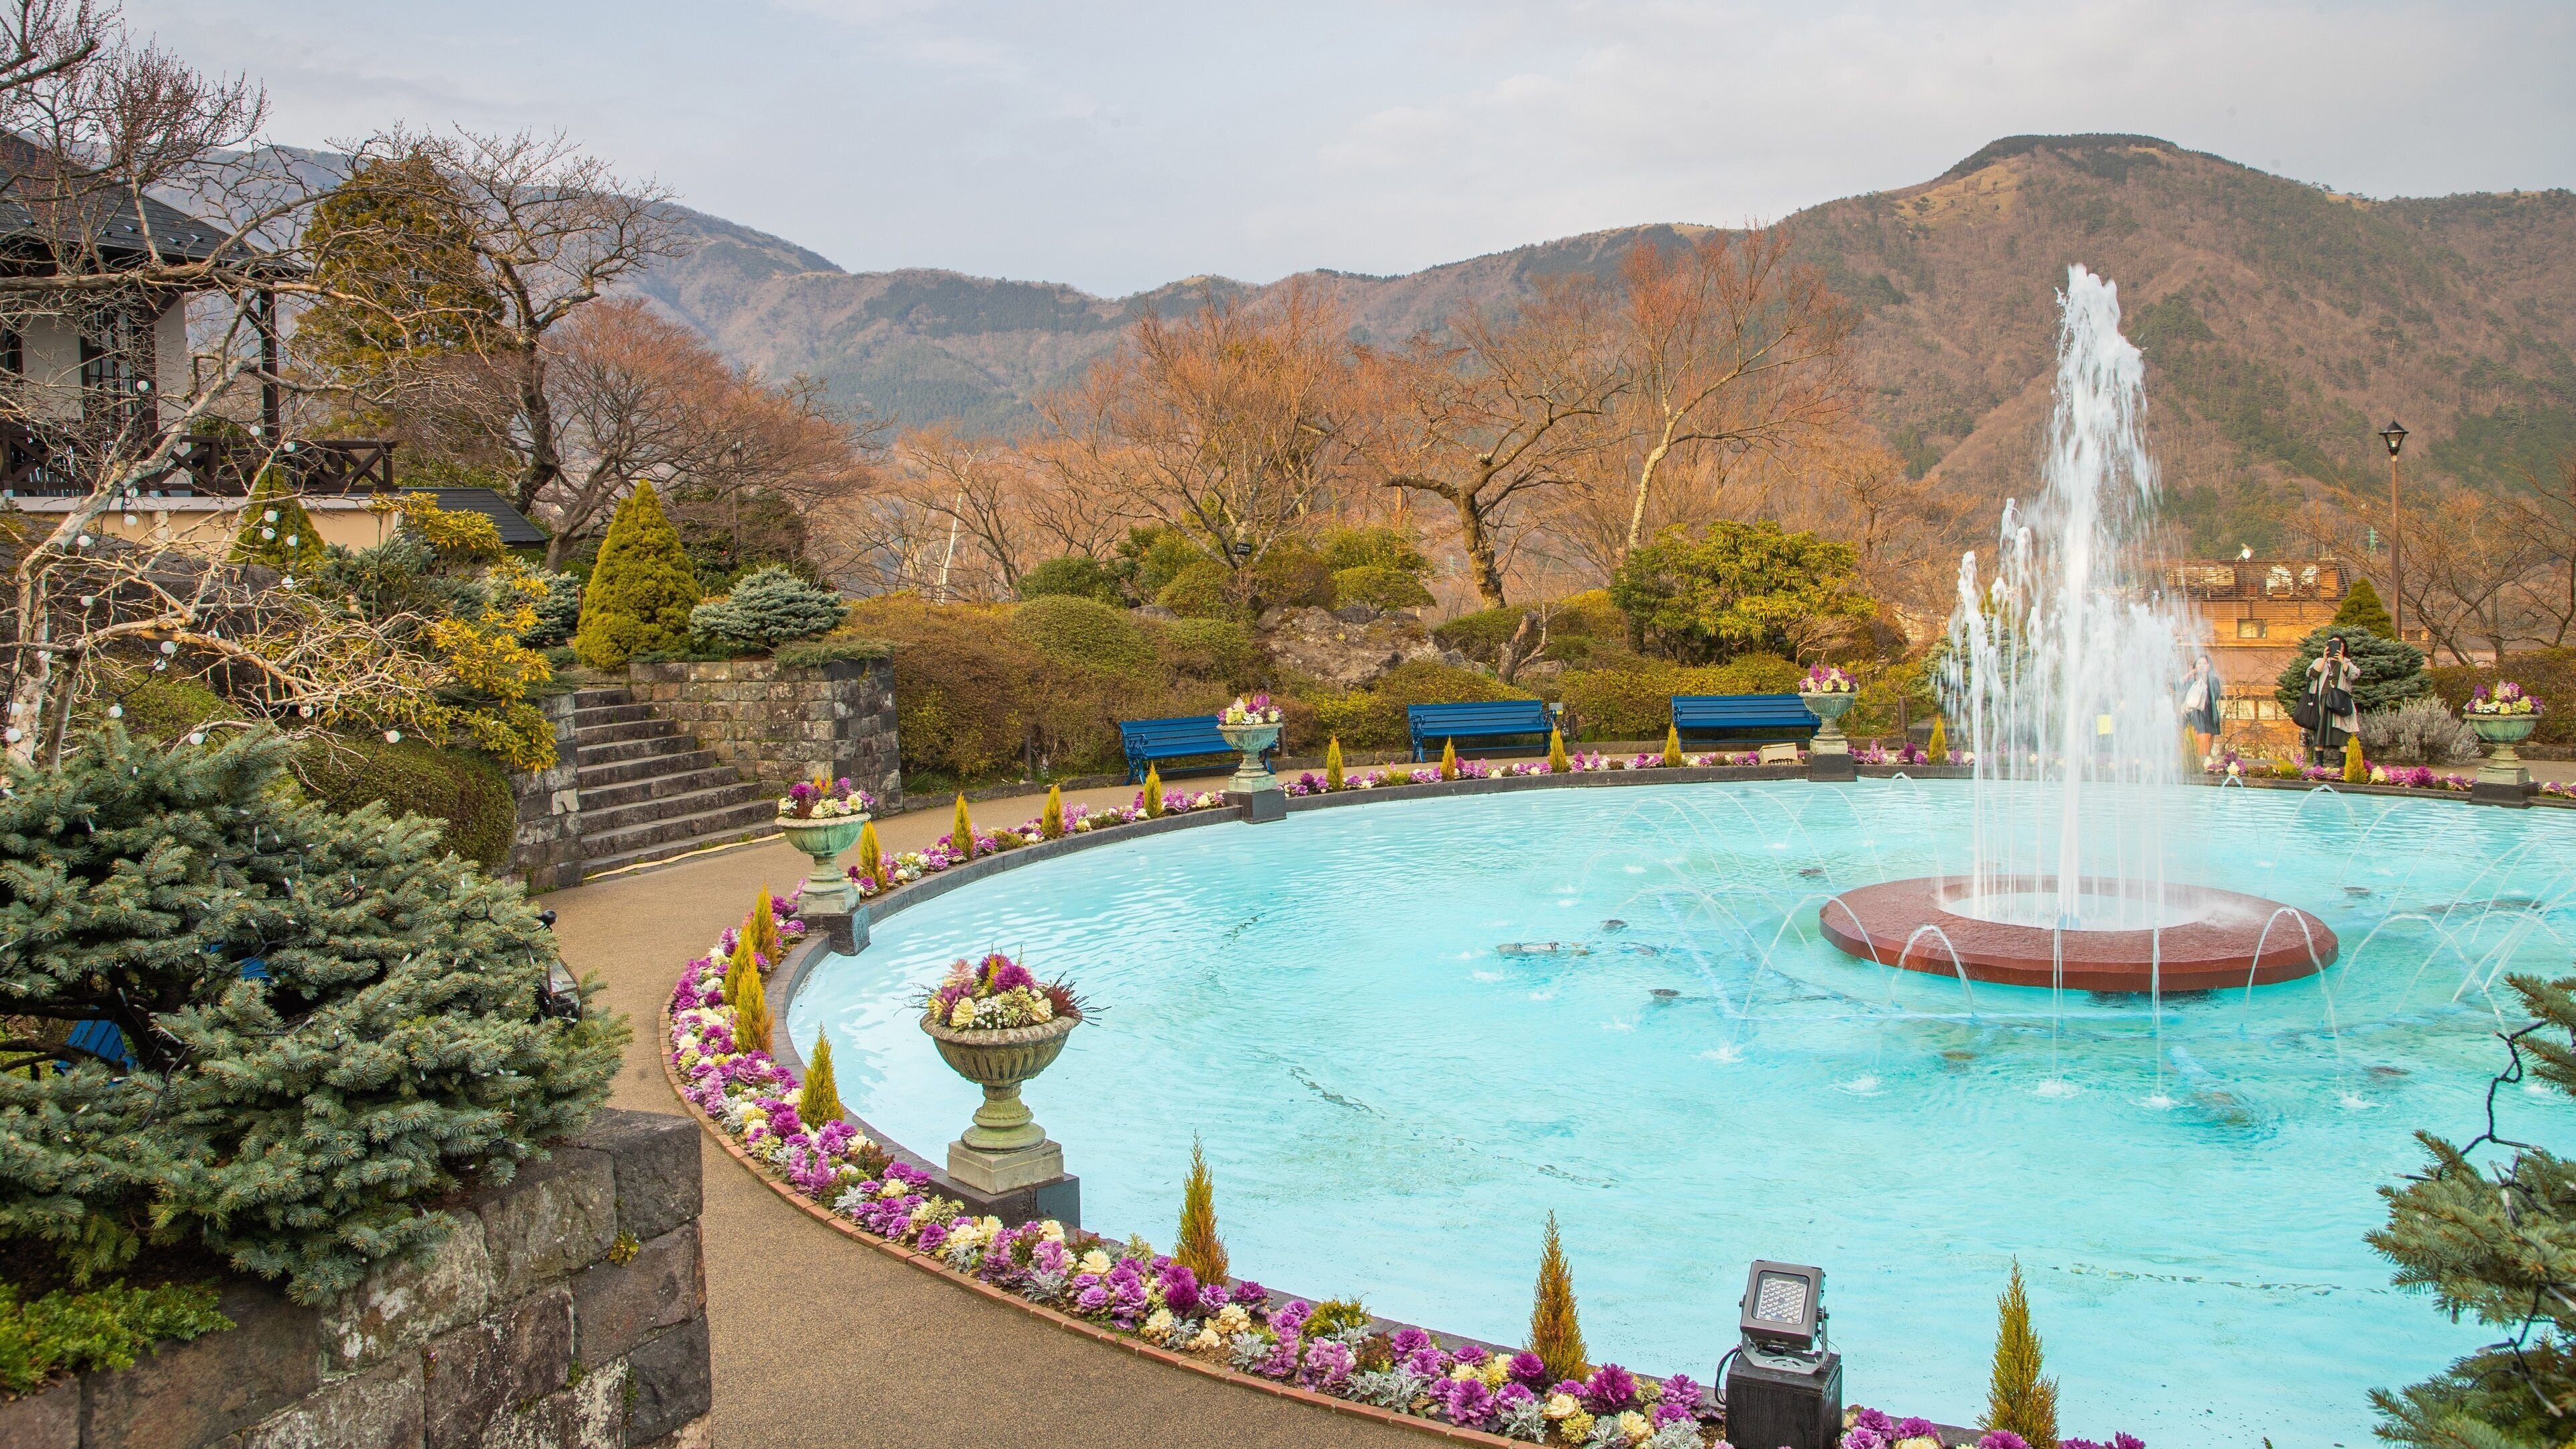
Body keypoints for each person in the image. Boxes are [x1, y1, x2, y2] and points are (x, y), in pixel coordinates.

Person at [2303, 634, 2361, 764]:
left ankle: (2342, 762)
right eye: (2332, 644)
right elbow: (2312, 674)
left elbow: (2353, 675)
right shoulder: (2320, 661)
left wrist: (2342, 661)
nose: (2335, 647)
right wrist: (2324, 659)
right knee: (2320, 730)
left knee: (2342, 730)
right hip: (2321, 701)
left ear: (2343, 647)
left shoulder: (2347, 662)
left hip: (2339, 701)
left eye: (2339, 644)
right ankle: (2319, 761)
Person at [2181, 653, 2224, 767]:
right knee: (2188, 753)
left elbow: (2214, 695)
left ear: (2209, 666)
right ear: (2195, 667)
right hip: (2191, 720)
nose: (2201, 666)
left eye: (2205, 663)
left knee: (2203, 755)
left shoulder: (2213, 681)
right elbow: (2175, 687)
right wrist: (2187, 676)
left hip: (2206, 720)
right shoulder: (2190, 681)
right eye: (2199, 663)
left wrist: (2203, 680)